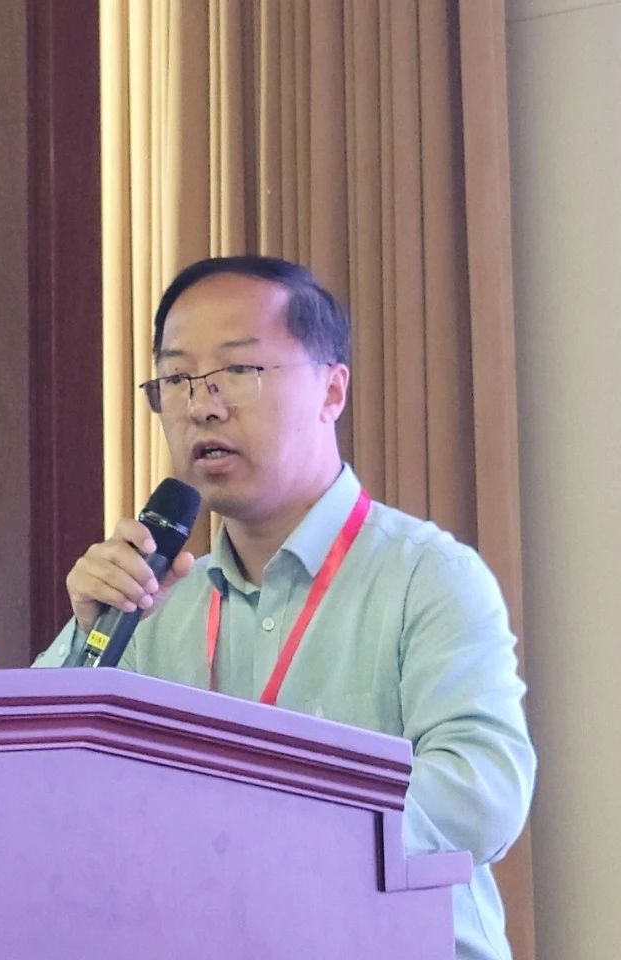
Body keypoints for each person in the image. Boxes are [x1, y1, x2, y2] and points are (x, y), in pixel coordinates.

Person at [34, 255, 535, 960]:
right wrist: (91, 638)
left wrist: (270, 833)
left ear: (332, 390)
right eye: (177, 379)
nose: (202, 406)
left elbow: (482, 792)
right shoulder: (150, 602)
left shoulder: (427, 576)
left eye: (238, 370)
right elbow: (35, 788)